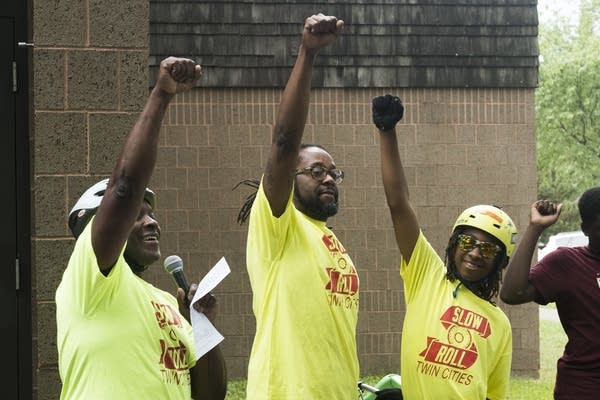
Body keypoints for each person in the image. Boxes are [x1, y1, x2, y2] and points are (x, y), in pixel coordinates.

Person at [55, 57, 227, 400]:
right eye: (137, 215)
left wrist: (200, 323)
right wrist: (162, 95)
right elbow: (124, 188)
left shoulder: (165, 303)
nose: (151, 221)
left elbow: (211, 395)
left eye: (150, 214)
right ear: (98, 225)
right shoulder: (89, 279)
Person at [236, 14, 360, 399]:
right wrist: (307, 53)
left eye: (333, 173)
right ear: (290, 178)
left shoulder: (333, 243)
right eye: (316, 171)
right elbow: (285, 141)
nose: (327, 179)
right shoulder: (278, 225)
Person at [372, 94, 516, 399]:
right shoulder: (426, 276)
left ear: (500, 263)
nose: (475, 253)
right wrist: (387, 132)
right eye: (467, 242)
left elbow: (493, 395)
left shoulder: (500, 325)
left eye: (489, 250)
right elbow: (398, 204)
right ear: (452, 246)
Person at [500, 191, 600, 399]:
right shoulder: (567, 263)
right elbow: (512, 293)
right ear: (586, 230)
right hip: (583, 389)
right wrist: (535, 228)